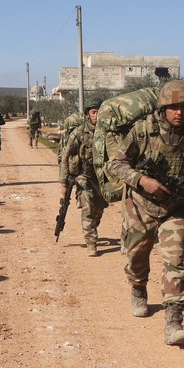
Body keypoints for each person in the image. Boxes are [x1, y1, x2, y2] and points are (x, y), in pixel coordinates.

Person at [107, 80, 184, 346]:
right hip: (139, 207)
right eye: (175, 107)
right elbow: (116, 163)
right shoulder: (142, 131)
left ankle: (174, 322)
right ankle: (138, 288)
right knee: (136, 259)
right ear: (163, 107)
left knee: (175, 262)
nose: (181, 112)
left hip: (174, 209)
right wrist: (142, 181)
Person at [58, 99, 108, 256]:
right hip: (83, 176)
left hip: (101, 177)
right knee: (88, 207)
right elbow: (65, 157)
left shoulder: (106, 131)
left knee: (99, 209)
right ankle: (91, 242)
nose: (96, 115)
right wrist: (63, 183)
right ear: (88, 114)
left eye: (99, 111)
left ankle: (92, 226)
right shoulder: (78, 133)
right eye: (93, 112)